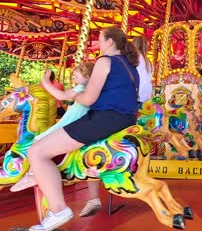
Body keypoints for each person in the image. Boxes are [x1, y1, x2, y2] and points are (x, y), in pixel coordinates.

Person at [25, 27, 140, 231]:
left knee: (36, 151)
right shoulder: (130, 66)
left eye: (100, 39)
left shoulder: (105, 61)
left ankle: (58, 209)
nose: (98, 43)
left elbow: (88, 98)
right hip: (125, 119)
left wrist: (72, 95)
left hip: (104, 118)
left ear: (110, 42)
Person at [80, 35, 154, 218]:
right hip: (141, 108)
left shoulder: (115, 63)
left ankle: (93, 195)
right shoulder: (147, 64)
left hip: (120, 109)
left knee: (86, 144)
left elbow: (92, 97)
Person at [10, 62, 95, 192]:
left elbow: (61, 96)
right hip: (76, 122)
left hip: (70, 123)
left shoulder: (82, 88)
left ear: (88, 77)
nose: (74, 79)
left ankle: (33, 175)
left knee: (39, 140)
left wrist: (45, 82)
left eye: (77, 76)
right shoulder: (88, 89)